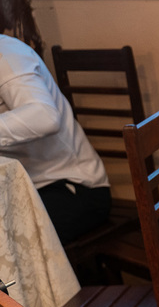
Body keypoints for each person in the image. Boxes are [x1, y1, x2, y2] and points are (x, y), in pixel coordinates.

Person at [0, 34, 111, 244]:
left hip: (73, 188)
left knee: (6, 245)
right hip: (21, 188)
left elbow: (44, 116)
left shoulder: (6, 55)